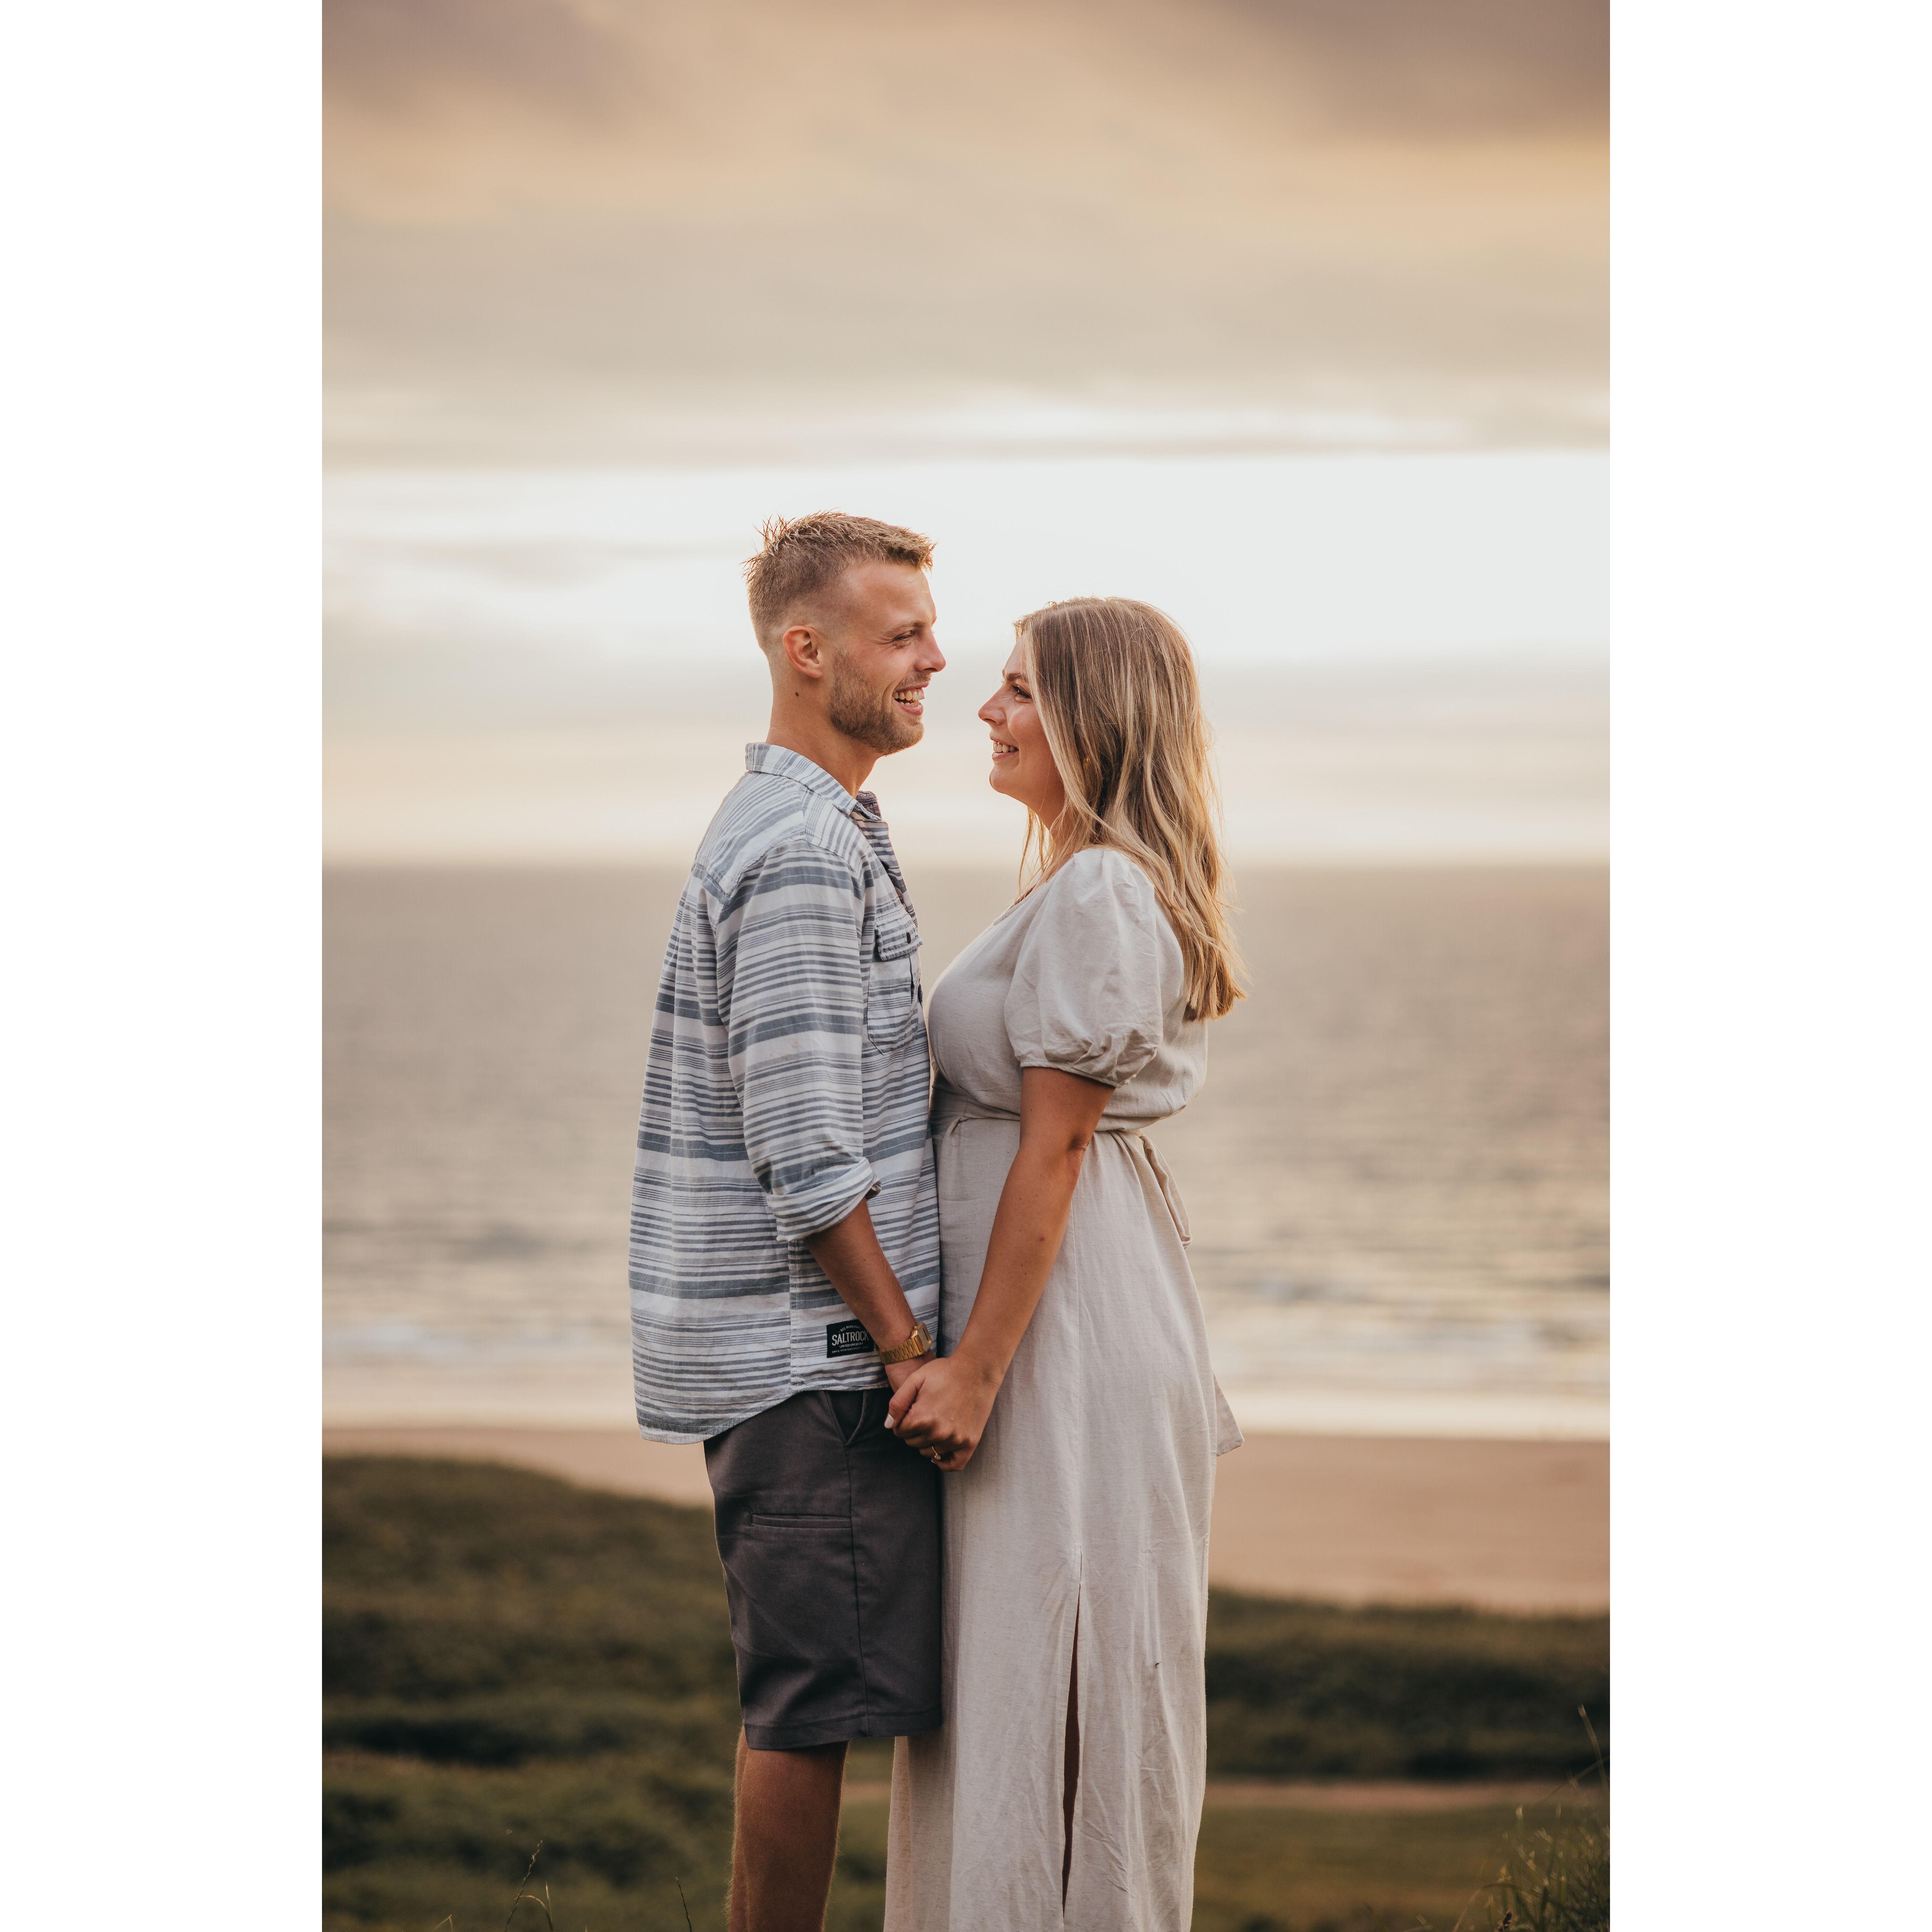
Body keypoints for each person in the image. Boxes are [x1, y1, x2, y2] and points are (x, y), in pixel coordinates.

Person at [882, 596, 1245, 1932]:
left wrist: (976, 1369)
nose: (986, 708)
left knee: (1068, 1656)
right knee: (1019, 1663)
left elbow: (1056, 1152)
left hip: (1064, 1327)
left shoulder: (1100, 889)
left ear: (1096, 716)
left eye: (1020, 689)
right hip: (1058, 1306)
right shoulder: (1074, 878)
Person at [628, 511, 948, 1932]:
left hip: (802, 1361)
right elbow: (808, 1160)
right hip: (816, 1366)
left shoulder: (811, 824)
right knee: (808, 1717)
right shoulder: (806, 850)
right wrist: (907, 1347)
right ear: (805, 650)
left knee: (814, 1707)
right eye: (902, 634)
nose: (936, 657)